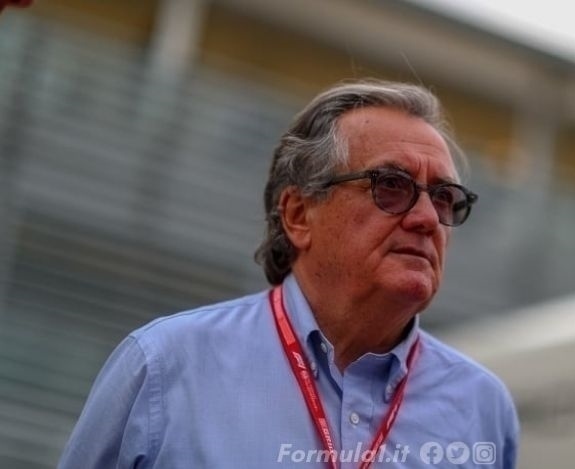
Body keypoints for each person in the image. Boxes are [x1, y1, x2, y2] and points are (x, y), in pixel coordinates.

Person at [58, 79, 519, 468]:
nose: (426, 218)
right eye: (391, 186)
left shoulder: (483, 409)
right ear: (299, 214)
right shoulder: (166, 366)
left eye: (443, 197)